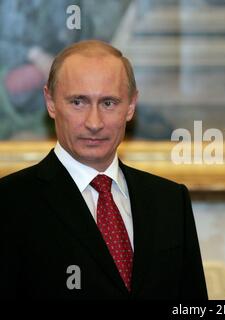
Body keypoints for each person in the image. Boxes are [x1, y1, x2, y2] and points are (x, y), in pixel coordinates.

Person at [0, 40, 207, 300]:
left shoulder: (170, 201)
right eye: (78, 102)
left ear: (130, 106)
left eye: (109, 103)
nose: (94, 123)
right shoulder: (8, 204)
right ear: (51, 103)